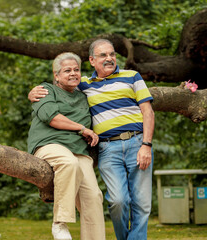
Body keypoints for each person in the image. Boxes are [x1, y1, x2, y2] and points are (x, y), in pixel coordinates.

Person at [29, 39, 155, 240]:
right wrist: (32, 93)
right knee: (117, 200)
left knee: (122, 200)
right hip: (89, 147)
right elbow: (53, 107)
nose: (109, 58)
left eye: (112, 54)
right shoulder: (66, 87)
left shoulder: (124, 79)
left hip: (129, 144)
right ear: (92, 60)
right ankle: (63, 223)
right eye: (103, 55)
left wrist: (146, 144)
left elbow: (147, 111)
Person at [28, 52, 105, 240]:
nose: (73, 73)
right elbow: (51, 117)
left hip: (79, 151)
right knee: (68, 163)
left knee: (93, 197)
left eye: (76, 70)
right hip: (50, 145)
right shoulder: (47, 90)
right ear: (56, 75)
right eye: (67, 70)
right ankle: (60, 223)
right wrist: (82, 129)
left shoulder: (83, 97)